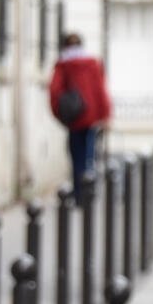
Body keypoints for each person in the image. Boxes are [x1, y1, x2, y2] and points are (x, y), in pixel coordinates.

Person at [48, 33, 113, 198]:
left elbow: (54, 92)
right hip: (91, 118)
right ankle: (89, 191)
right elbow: (100, 90)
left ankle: (79, 193)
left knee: (76, 155)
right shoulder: (92, 64)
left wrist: (60, 113)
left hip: (74, 118)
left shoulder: (62, 65)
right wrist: (105, 115)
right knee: (89, 154)